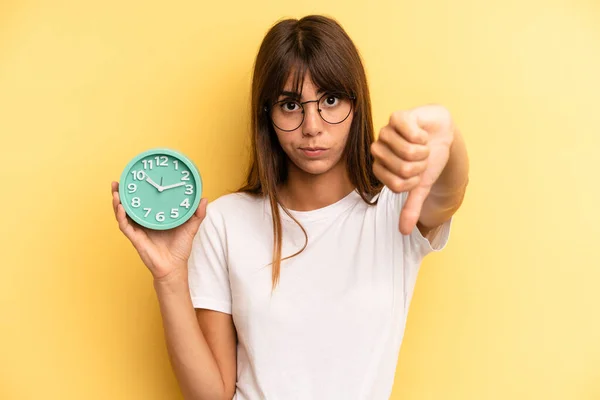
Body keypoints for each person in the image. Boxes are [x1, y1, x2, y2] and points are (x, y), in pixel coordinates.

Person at [111, 14, 469, 400]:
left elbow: (449, 193)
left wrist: (450, 140)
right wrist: (169, 278)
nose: (312, 125)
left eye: (330, 100)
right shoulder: (225, 221)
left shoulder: (392, 208)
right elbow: (211, 395)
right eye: (290, 104)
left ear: (356, 103)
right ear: (267, 112)